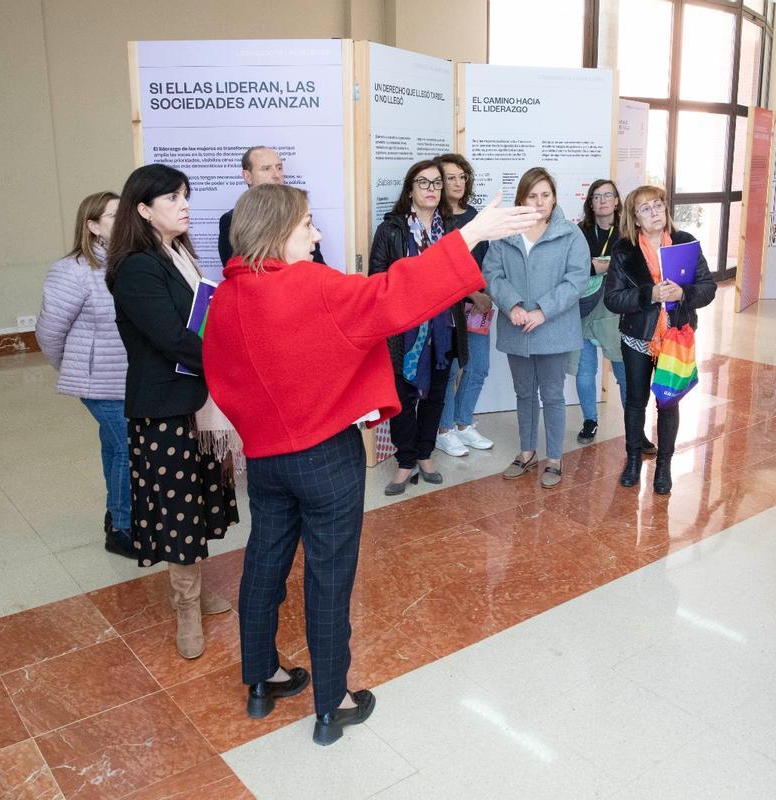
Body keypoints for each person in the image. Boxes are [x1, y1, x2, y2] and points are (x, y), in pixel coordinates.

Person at [202, 183, 539, 745]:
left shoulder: (227, 298)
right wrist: (472, 233)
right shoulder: (311, 285)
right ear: (278, 231)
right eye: (308, 224)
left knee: (263, 564)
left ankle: (262, 679)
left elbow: (222, 374)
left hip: (264, 460)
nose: (316, 234)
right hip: (323, 457)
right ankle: (331, 704)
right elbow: (394, 293)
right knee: (329, 579)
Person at [106, 164, 237, 660]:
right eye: (172, 198)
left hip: (195, 399)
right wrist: (233, 358)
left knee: (199, 501)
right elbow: (171, 338)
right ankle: (185, 606)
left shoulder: (177, 253)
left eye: (186, 195)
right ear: (143, 209)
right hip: (163, 407)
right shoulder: (139, 265)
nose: (185, 205)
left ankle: (196, 588)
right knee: (178, 510)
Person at [35, 191, 135, 559]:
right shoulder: (73, 269)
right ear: (92, 226)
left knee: (114, 447)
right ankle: (123, 528)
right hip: (98, 379)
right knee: (128, 448)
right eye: (112, 216)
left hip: (126, 376)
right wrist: (73, 367)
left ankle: (116, 514)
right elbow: (48, 330)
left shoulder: (127, 261)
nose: (123, 220)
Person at [604, 185, 717, 495]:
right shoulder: (624, 251)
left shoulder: (685, 243)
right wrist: (648, 294)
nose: (654, 212)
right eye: (645, 208)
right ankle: (632, 462)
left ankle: (664, 466)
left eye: (658, 205)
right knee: (636, 402)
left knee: (668, 402)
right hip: (638, 338)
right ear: (635, 218)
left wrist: (685, 293)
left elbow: (708, 287)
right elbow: (612, 299)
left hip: (675, 339)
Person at [483, 167, 590, 489]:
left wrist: (543, 311)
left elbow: (577, 280)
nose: (539, 201)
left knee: (553, 395)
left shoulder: (570, 235)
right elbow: (492, 274)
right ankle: (527, 452)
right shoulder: (505, 234)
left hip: (553, 329)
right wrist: (512, 305)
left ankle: (554, 458)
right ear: (521, 199)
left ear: (554, 198)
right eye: (532, 195)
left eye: (545, 195)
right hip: (517, 328)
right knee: (525, 393)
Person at [369, 160, 469, 495]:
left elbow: (461, 277)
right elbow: (376, 279)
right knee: (402, 398)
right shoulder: (391, 229)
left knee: (435, 396)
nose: (431, 189)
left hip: (444, 329)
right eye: (423, 182)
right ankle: (405, 460)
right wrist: (414, 285)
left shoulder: (452, 231)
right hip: (403, 331)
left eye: (437, 183)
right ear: (410, 188)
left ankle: (425, 454)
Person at [573, 179, 648, 451]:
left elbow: (635, 268)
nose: (602, 200)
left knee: (625, 371)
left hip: (617, 312)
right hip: (582, 309)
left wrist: (598, 265)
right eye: (596, 196)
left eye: (608, 195)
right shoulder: (579, 232)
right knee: (585, 372)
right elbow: (577, 269)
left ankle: (636, 430)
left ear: (617, 201)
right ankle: (589, 421)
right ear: (590, 202)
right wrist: (607, 266)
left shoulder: (629, 232)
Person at [434, 153, 495, 457]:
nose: (458, 183)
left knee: (479, 367)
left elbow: (486, 259)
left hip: (480, 306)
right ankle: (443, 430)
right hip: (450, 307)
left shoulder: (475, 214)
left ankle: (463, 423)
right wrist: (473, 295)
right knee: (451, 368)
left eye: (462, 177)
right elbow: (443, 266)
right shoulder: (437, 219)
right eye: (450, 178)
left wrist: (487, 293)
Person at [218, 146, 324, 267]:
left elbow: (318, 264)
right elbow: (236, 270)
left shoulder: (299, 215)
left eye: (279, 168)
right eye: (266, 169)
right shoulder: (232, 220)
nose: (276, 175)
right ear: (247, 176)